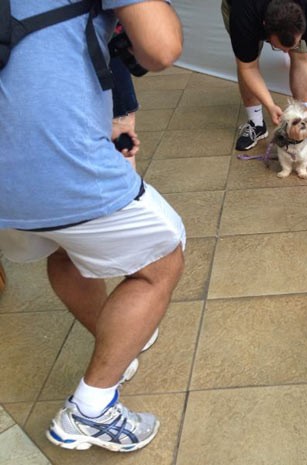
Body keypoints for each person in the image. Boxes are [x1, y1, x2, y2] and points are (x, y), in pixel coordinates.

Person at [0, 0, 184, 452]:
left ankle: (120, 342)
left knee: (64, 247)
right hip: (57, 166)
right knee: (162, 257)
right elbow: (161, 48)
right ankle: (91, 409)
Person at [222, 0, 307, 150]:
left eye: (292, 46)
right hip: (243, 6)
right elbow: (248, 68)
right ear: (264, 26)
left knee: (301, 55)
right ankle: (256, 124)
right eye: (277, 47)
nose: (285, 52)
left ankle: (303, 120)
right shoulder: (243, 14)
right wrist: (270, 105)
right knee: (246, 59)